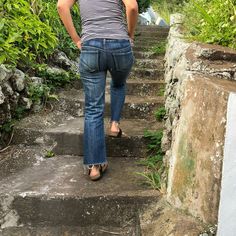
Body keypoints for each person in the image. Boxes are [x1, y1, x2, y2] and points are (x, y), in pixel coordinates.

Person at [57, 0, 138, 181]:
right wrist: (130, 35)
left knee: (93, 107)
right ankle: (115, 124)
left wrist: (76, 39)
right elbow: (132, 7)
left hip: (91, 45)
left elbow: (61, 6)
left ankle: (94, 166)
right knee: (118, 84)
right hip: (120, 45)